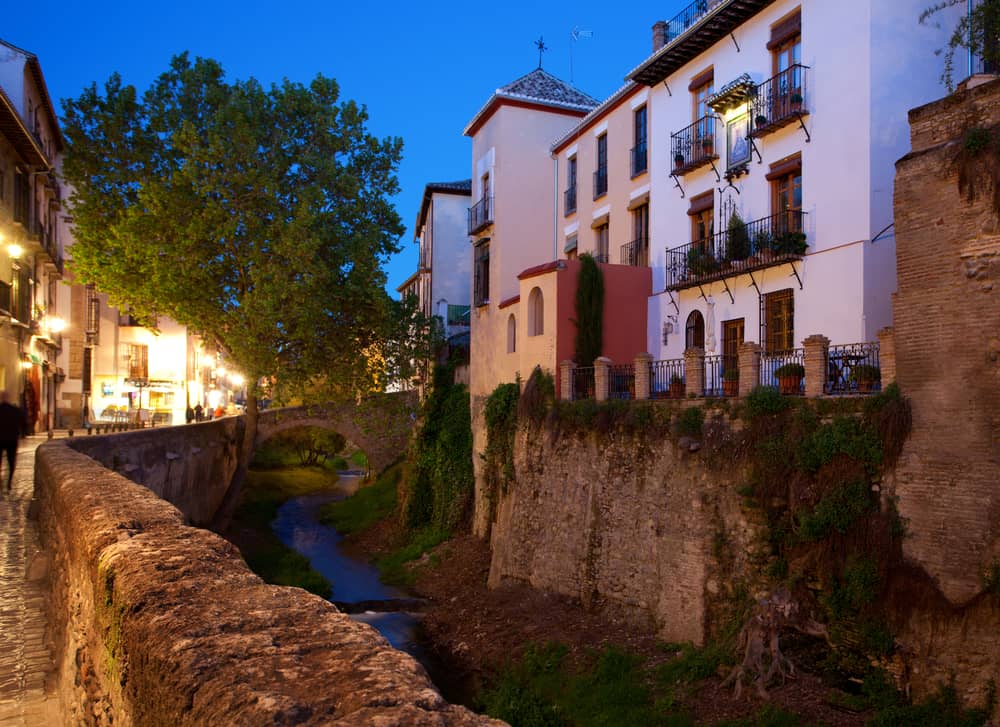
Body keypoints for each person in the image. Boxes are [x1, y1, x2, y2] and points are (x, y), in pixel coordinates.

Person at [0, 392, 25, 491]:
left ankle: (2, 482)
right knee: (11, 462)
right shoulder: (15, 410)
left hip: (0, 439)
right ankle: (9, 482)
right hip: (12, 439)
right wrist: (22, 433)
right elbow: (23, 422)